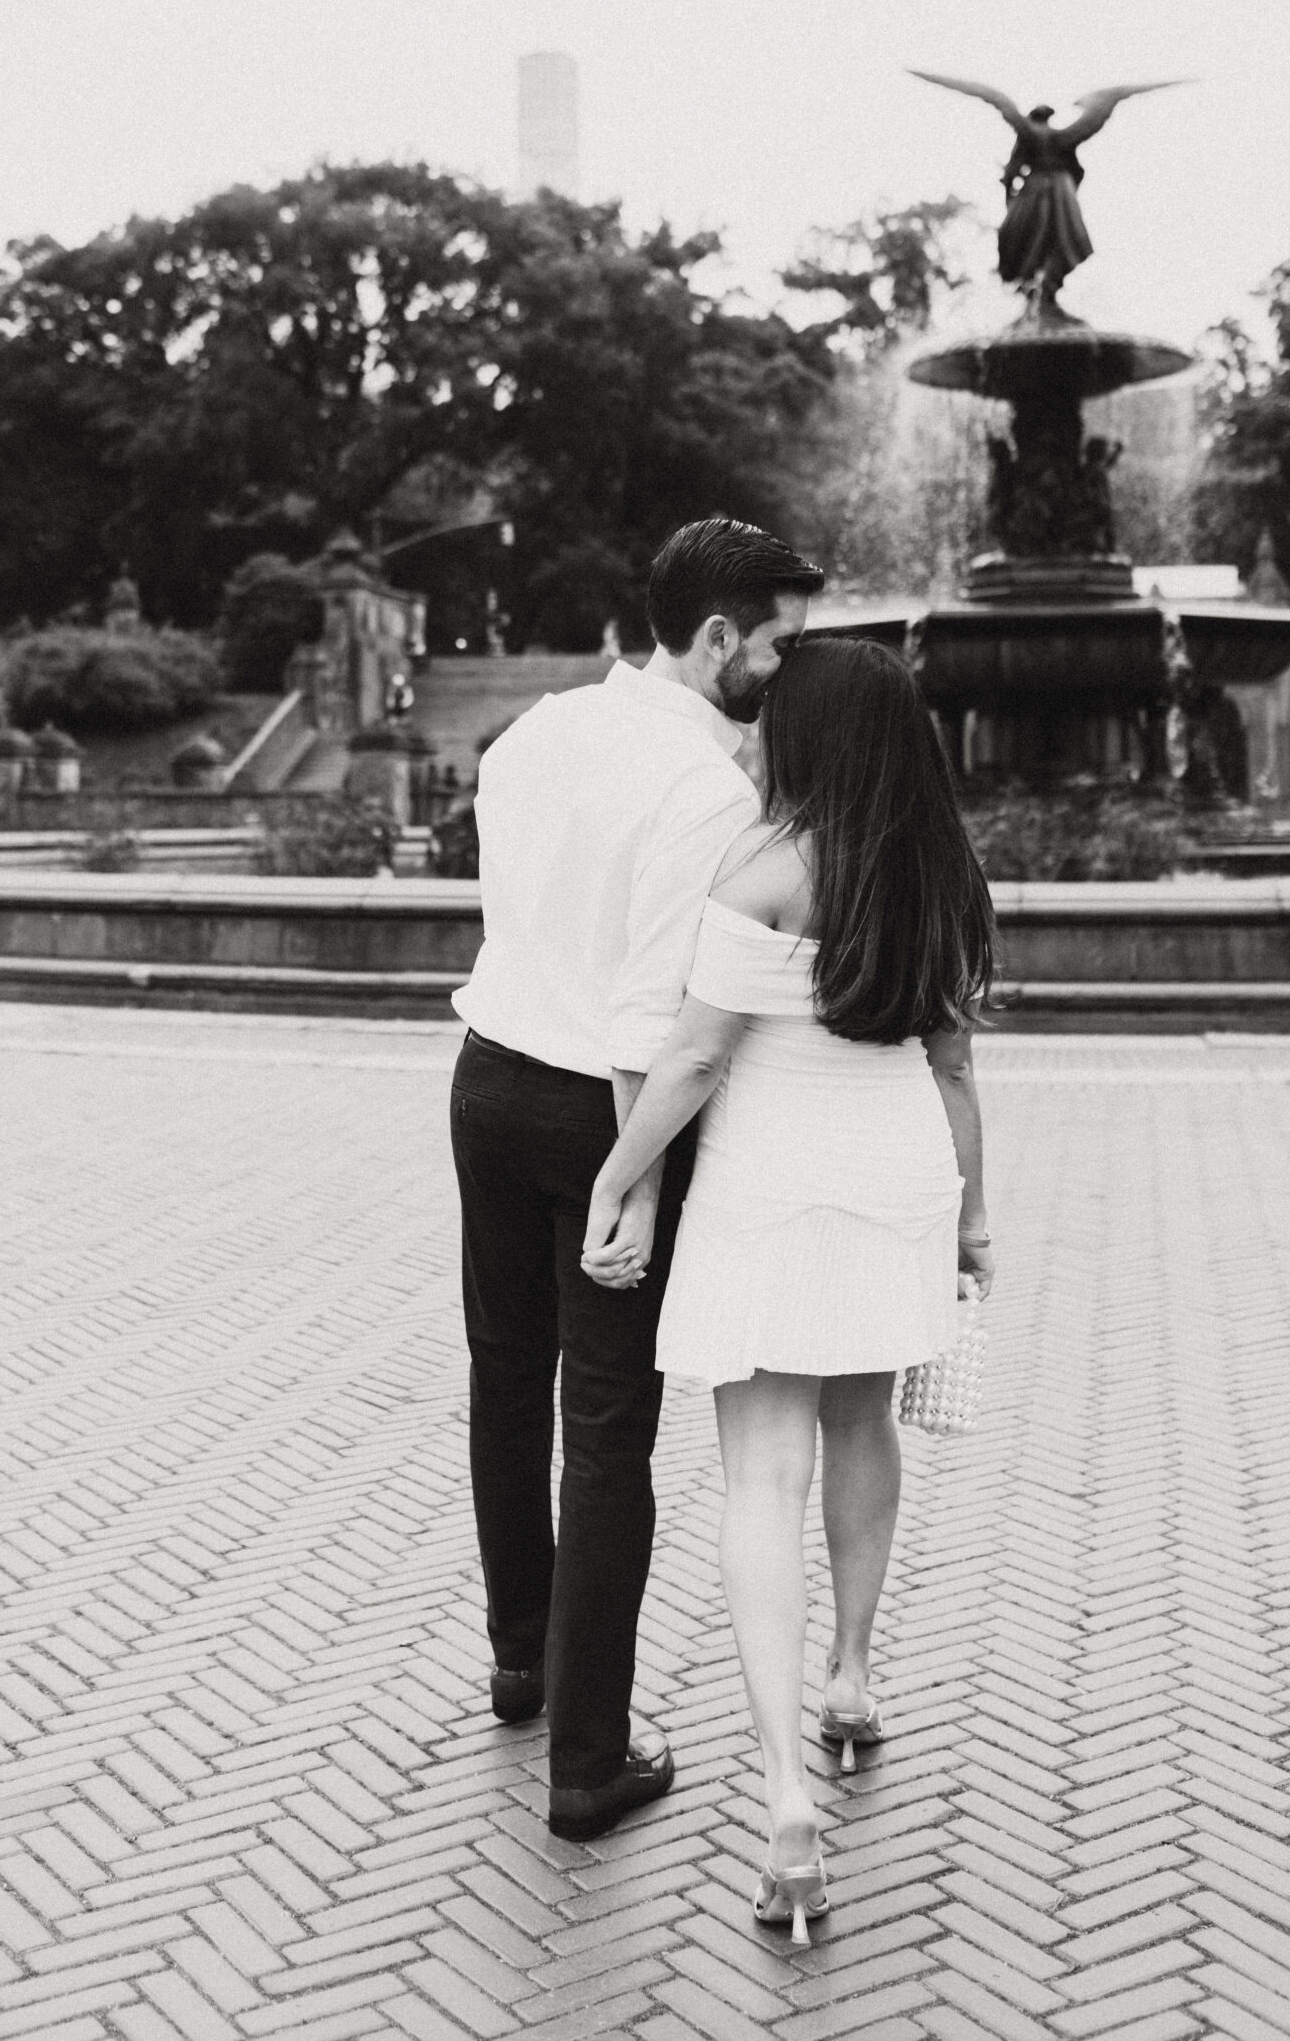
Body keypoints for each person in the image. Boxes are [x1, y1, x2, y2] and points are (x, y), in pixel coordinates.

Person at [580, 636, 996, 1941]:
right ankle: (856, 1676)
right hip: (898, 1174)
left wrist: (618, 1174)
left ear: (804, 738)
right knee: (862, 1423)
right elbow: (956, 1069)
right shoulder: (942, 874)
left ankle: (779, 1796)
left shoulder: (762, 869)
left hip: (772, 1174)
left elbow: (696, 1058)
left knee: (761, 1473)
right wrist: (978, 1218)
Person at [449, 516, 824, 1842]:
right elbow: (650, 1024)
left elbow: (515, 917)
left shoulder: (536, 731)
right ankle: (589, 1763)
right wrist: (637, 1188)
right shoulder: (708, 793)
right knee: (609, 1426)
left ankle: (521, 1660)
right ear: (719, 637)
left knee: (506, 1377)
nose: (789, 666)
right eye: (778, 642)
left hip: (484, 1078)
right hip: (593, 1108)